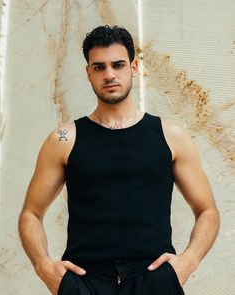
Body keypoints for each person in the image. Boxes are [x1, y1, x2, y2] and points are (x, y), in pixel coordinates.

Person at [18, 25, 220, 295]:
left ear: (134, 67)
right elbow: (31, 214)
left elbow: (208, 211)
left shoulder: (170, 136)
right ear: (88, 73)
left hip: (154, 280)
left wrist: (186, 263)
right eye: (99, 67)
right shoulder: (64, 138)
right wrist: (46, 268)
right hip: (85, 283)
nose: (109, 74)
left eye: (118, 64)